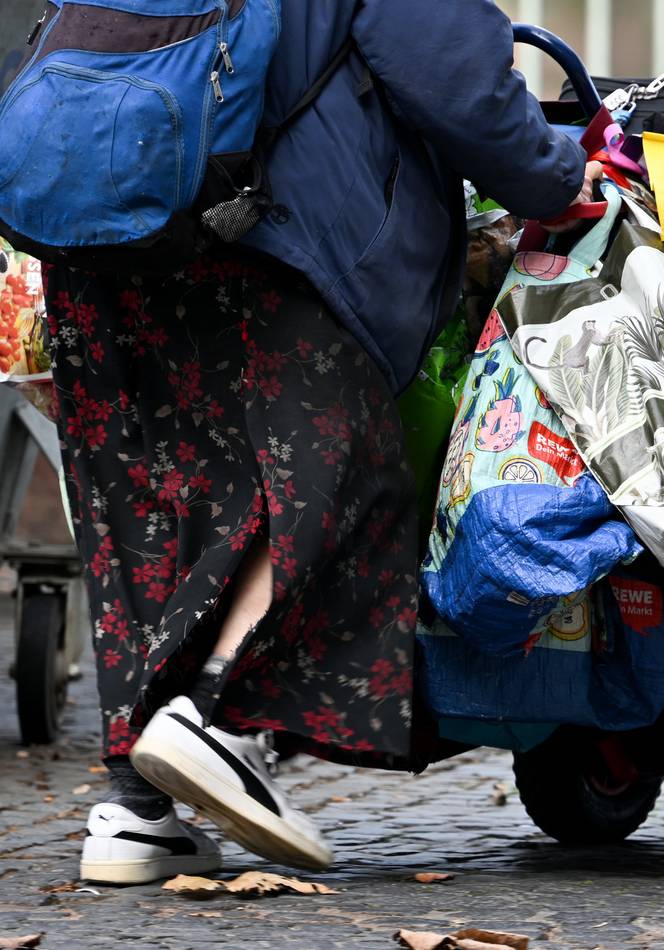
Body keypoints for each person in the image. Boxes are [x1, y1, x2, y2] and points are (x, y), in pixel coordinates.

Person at [44, 0, 599, 885]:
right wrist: (555, 177)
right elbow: (453, 71)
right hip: (262, 223)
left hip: (100, 222)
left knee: (153, 496)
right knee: (339, 477)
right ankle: (217, 714)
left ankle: (136, 811)